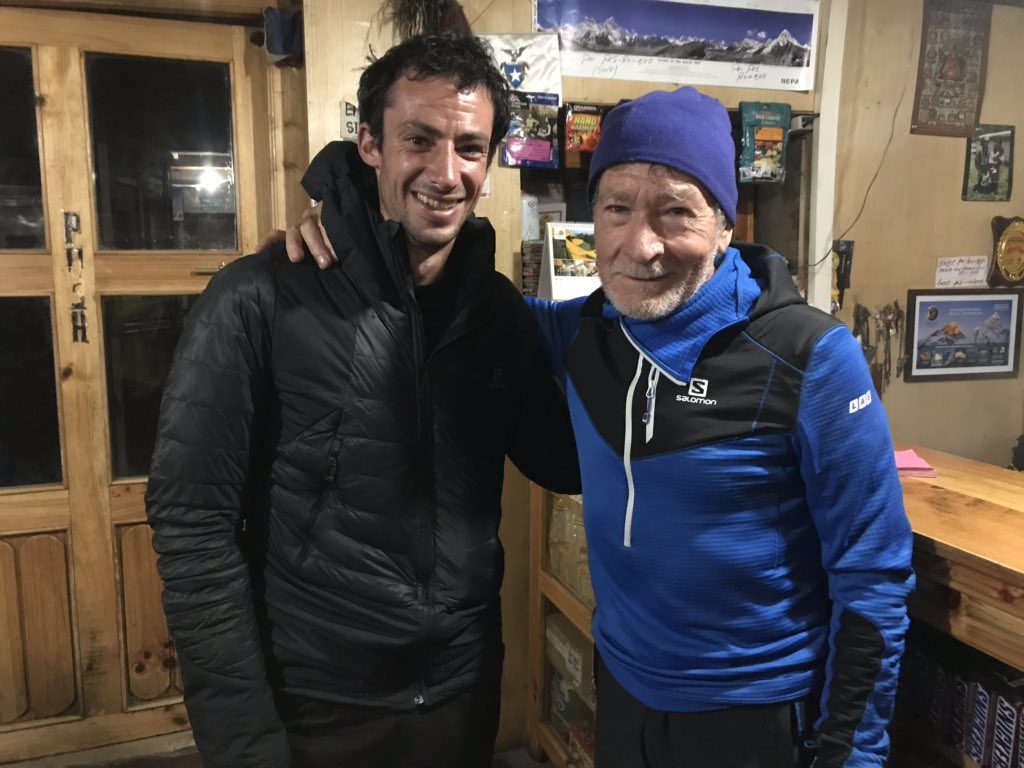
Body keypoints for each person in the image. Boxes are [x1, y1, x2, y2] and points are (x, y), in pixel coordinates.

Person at [287, 87, 914, 768]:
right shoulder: (582, 332)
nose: (639, 246)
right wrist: (334, 214)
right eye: (616, 209)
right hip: (622, 693)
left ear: (726, 225)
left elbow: (873, 576)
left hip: (754, 714)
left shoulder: (812, 358)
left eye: (676, 211)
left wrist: (853, 755)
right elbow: (442, 289)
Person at [146, 33, 579, 768]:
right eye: (421, 139)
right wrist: (243, 737)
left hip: (460, 697)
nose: (447, 174)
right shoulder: (258, 296)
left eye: (470, 148)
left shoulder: (496, 313)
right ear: (369, 142)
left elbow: (564, 461)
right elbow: (192, 524)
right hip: (316, 706)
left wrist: (660, 318)